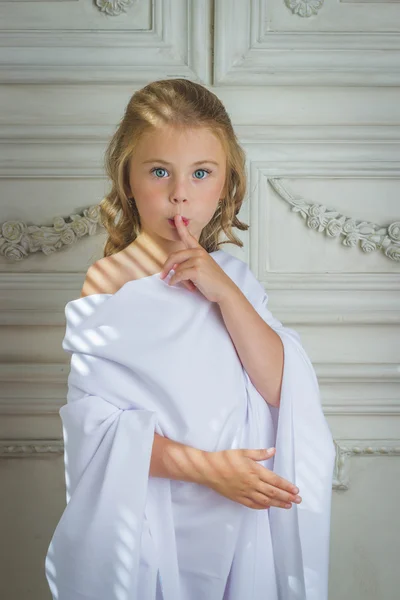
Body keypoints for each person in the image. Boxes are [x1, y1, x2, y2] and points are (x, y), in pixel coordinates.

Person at [45, 78, 336, 600]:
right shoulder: (109, 284)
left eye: (201, 173)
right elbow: (100, 430)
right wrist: (209, 470)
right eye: (160, 172)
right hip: (162, 510)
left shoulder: (236, 281)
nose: (180, 193)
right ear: (128, 180)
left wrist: (224, 292)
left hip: (240, 513)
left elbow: (282, 388)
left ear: (226, 185)